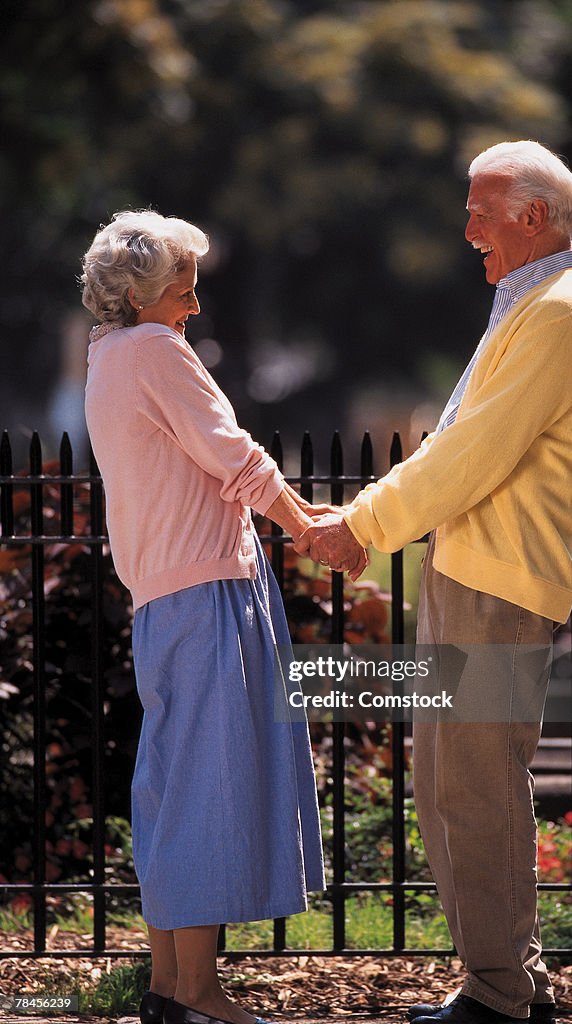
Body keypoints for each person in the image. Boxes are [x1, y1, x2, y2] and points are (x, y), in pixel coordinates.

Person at [296, 141, 572, 1024]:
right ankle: (506, 984)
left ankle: (502, 997)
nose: (466, 226)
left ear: (533, 217)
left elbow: (470, 455)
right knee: (452, 786)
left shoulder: (558, 312)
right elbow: (459, 446)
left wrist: (360, 526)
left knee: (475, 787)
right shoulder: (537, 304)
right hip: (475, 572)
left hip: (497, 586)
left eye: (481, 209)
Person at [82, 210, 363, 1024]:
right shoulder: (156, 352)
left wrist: (296, 510)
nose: (195, 307)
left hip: (163, 598)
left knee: (174, 788)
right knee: (206, 786)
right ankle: (199, 994)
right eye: (182, 291)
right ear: (139, 295)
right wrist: (309, 529)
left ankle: (174, 990)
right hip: (208, 596)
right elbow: (231, 453)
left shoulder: (108, 358)